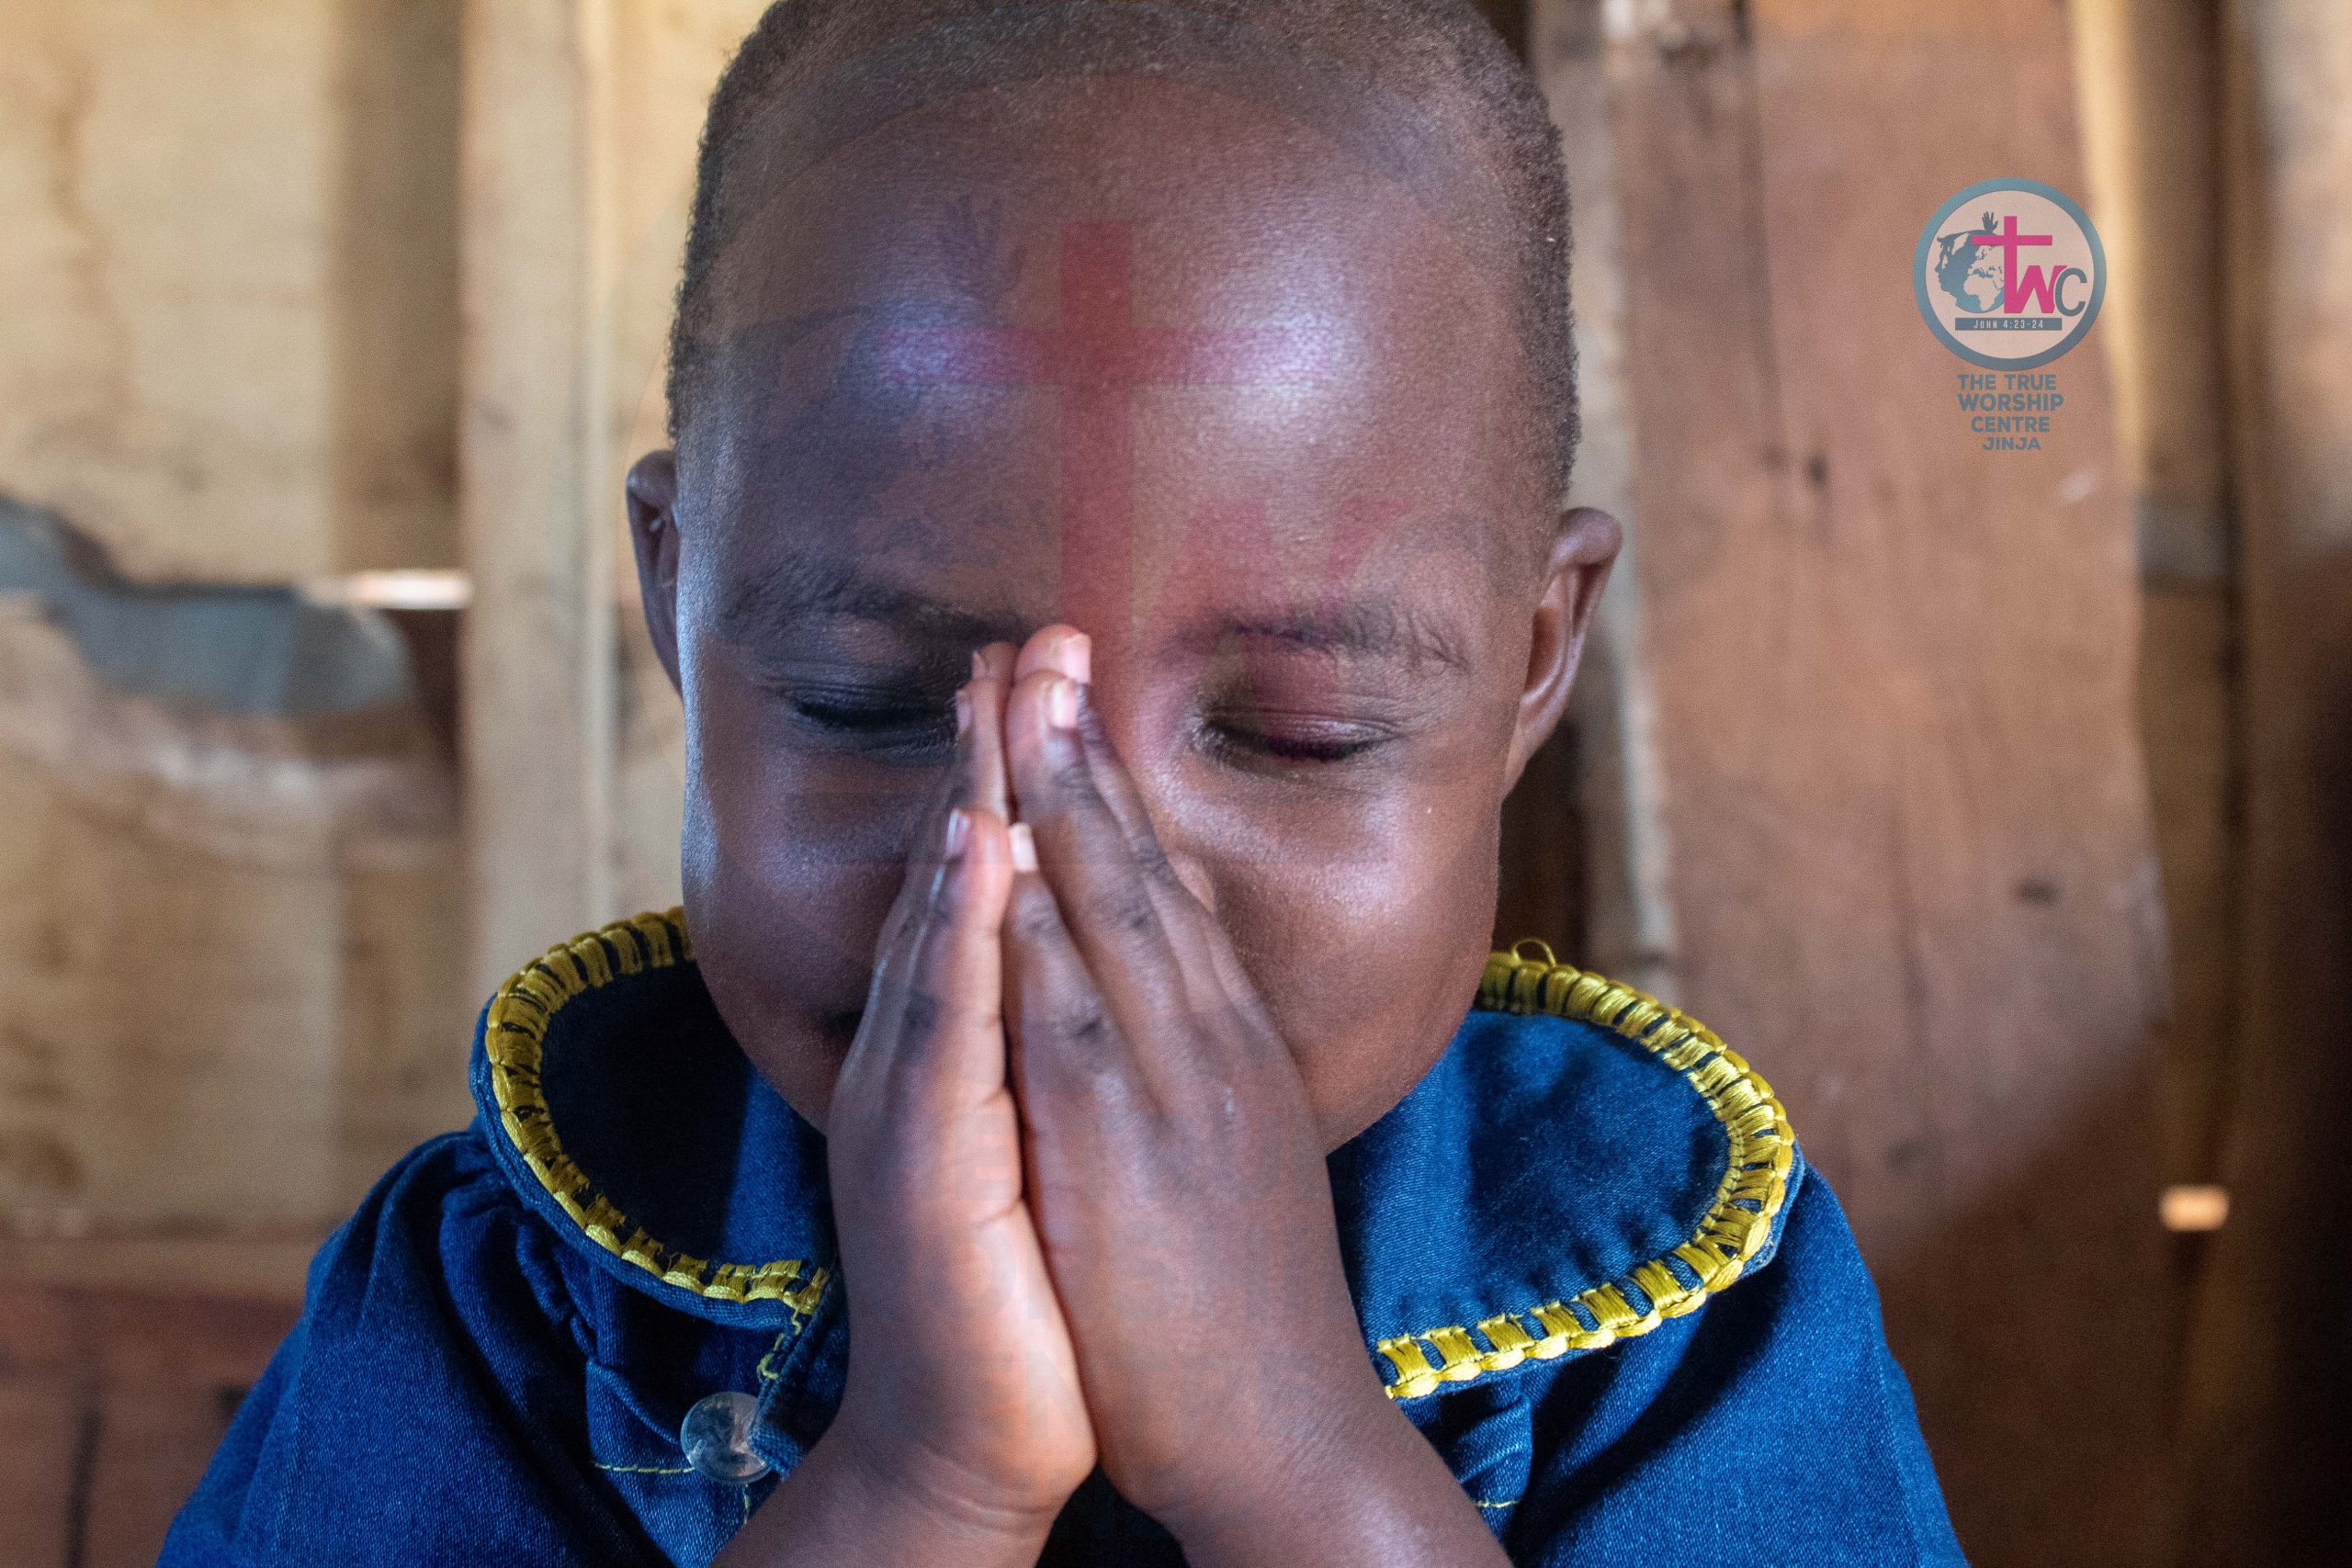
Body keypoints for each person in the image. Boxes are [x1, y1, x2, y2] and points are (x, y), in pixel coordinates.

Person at [163, 2, 1965, 1562]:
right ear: (677, 590)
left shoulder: (1681, 1311)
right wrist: (923, 1481)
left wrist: (1292, 1456)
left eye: (1298, 729)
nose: (1047, 861)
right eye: (874, 701)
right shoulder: (497, 1300)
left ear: (1528, 658)